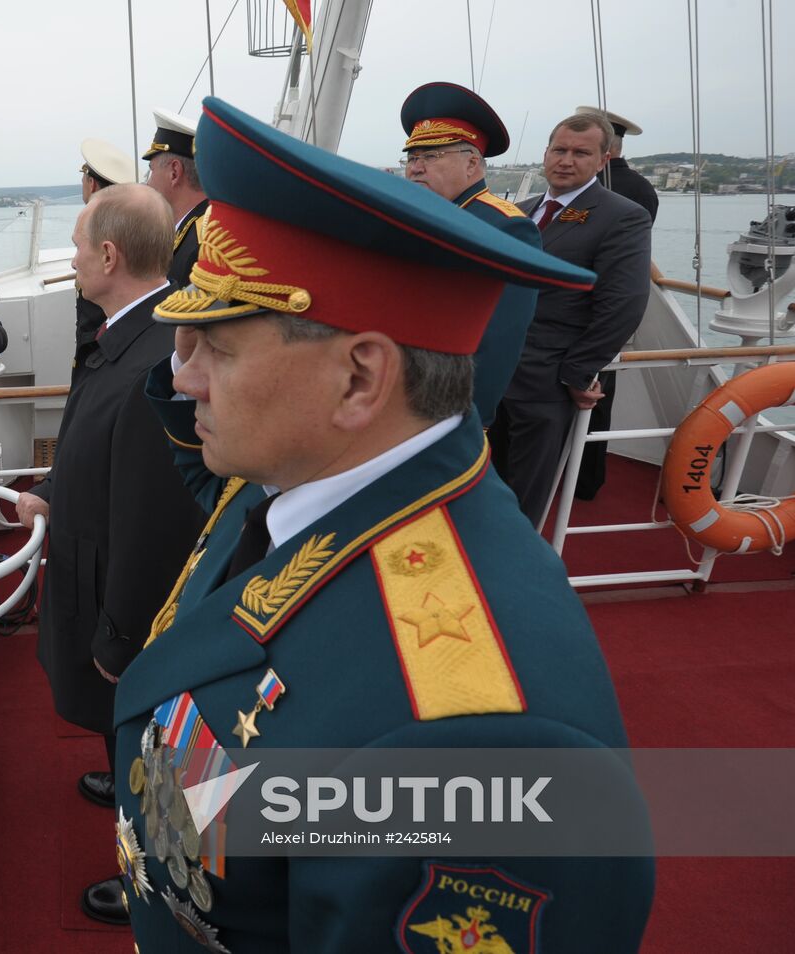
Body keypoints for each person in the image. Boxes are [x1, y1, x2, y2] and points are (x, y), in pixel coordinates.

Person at [111, 97, 653, 952]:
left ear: (361, 380)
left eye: (215, 346)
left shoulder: (475, 741)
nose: (183, 380)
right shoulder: (293, 481)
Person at [15, 183, 204, 926]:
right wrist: (55, 490)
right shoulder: (129, 336)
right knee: (121, 738)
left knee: (150, 749)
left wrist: (122, 639)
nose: (70, 257)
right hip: (93, 580)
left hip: (121, 609)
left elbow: (154, 523)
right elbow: (98, 449)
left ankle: (156, 885)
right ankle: (122, 775)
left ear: (108, 254)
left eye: (76, 243)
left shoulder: (153, 361)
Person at [491, 112, 652, 527]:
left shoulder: (621, 216)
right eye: (559, 150)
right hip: (496, 372)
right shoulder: (519, 212)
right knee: (485, 479)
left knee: (525, 493)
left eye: (581, 153)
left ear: (602, 160)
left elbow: (624, 303)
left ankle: (513, 573)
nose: (566, 160)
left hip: (548, 378)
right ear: (545, 154)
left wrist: (578, 373)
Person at [399, 82, 542, 426]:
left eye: (431, 156)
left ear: (472, 164)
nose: (416, 167)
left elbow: (497, 342)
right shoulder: (410, 219)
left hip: (443, 412)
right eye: (412, 158)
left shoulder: (506, 229)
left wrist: (464, 422)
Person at [574, 106, 659, 499]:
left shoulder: (596, 187)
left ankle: (575, 476)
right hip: (610, 313)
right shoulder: (643, 188)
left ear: (605, 145)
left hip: (581, 308)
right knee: (599, 398)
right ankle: (587, 479)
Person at [74, 138, 139, 355]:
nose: (75, 263)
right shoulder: (132, 225)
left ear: (91, 183)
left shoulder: (95, 228)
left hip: (101, 342)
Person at [143, 108, 209, 289]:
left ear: (174, 172)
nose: (148, 183)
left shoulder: (203, 243)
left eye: (152, 170)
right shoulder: (194, 231)